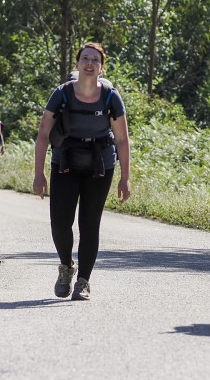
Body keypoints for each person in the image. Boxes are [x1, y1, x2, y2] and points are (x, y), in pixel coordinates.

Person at [33, 42, 131, 301]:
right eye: (85, 59)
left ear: (101, 67)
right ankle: (66, 266)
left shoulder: (111, 96)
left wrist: (125, 177)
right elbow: (43, 134)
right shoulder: (62, 93)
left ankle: (84, 282)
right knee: (60, 223)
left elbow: (122, 139)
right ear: (77, 64)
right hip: (65, 163)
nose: (89, 64)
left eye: (95, 60)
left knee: (90, 224)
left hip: (100, 165)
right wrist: (39, 174)